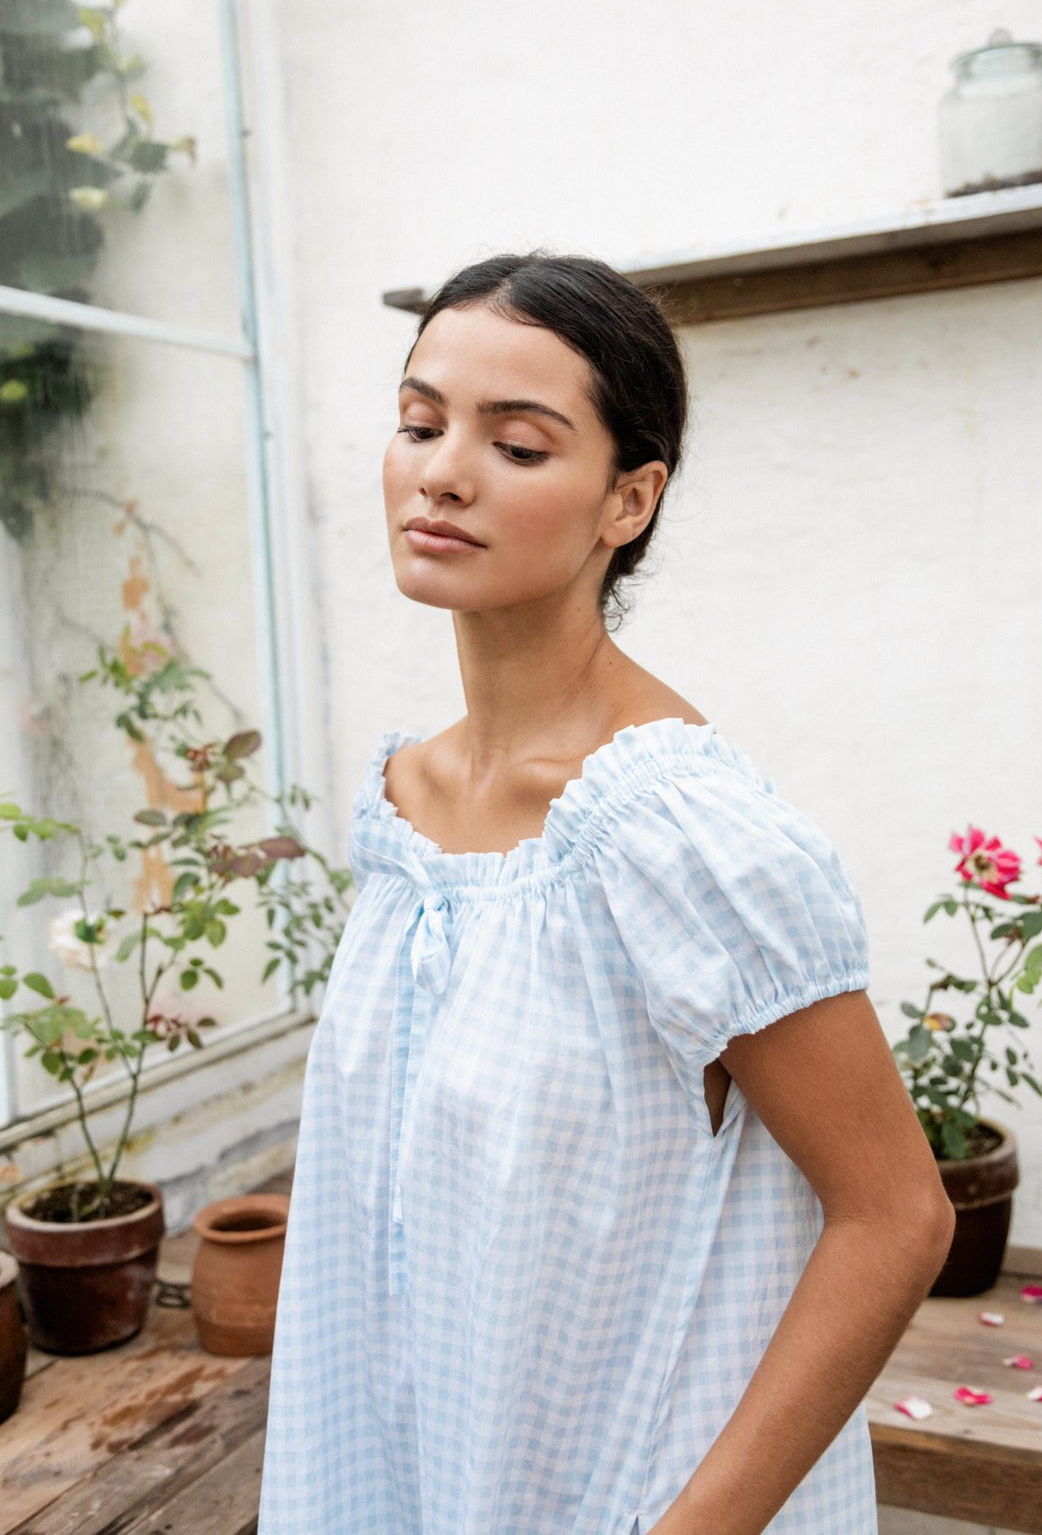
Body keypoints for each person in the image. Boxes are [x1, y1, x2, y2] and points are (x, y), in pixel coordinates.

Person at [258, 252, 954, 1535]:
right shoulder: (405, 812)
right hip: (418, 1480)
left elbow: (896, 1214)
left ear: (628, 500)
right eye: (419, 422)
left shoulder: (683, 833)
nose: (442, 472)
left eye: (518, 445)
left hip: (636, 1497)